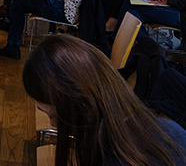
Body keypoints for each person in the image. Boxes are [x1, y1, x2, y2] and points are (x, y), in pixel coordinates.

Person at [23, 34, 186, 166]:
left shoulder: (122, 158)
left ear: (84, 105)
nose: (52, 124)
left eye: (53, 115)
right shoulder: (165, 127)